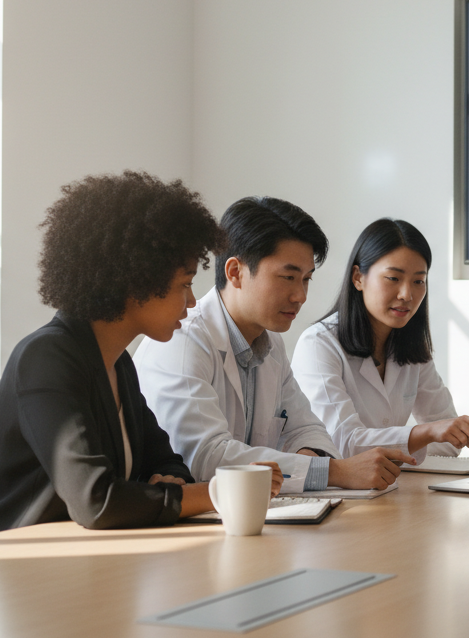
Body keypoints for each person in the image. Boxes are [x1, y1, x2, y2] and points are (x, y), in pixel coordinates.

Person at [0, 171, 282, 539]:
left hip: (77, 555)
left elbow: (167, 462)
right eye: (185, 284)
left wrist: (170, 481)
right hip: (2, 556)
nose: (192, 301)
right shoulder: (45, 359)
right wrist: (220, 491)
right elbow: (96, 501)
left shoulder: (118, 362)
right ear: (136, 280)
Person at [135, 196, 416, 495]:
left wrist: (309, 457)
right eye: (288, 277)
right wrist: (332, 471)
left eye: (306, 279)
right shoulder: (183, 339)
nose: (300, 296)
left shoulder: (271, 343)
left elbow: (306, 428)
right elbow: (205, 456)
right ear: (235, 272)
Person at [292, 218, 469, 461]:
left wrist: (410, 446)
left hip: (395, 483)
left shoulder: (412, 347)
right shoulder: (319, 344)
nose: (407, 294)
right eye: (393, 278)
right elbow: (340, 443)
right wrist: (424, 435)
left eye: (418, 281)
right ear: (358, 278)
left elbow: (449, 441)